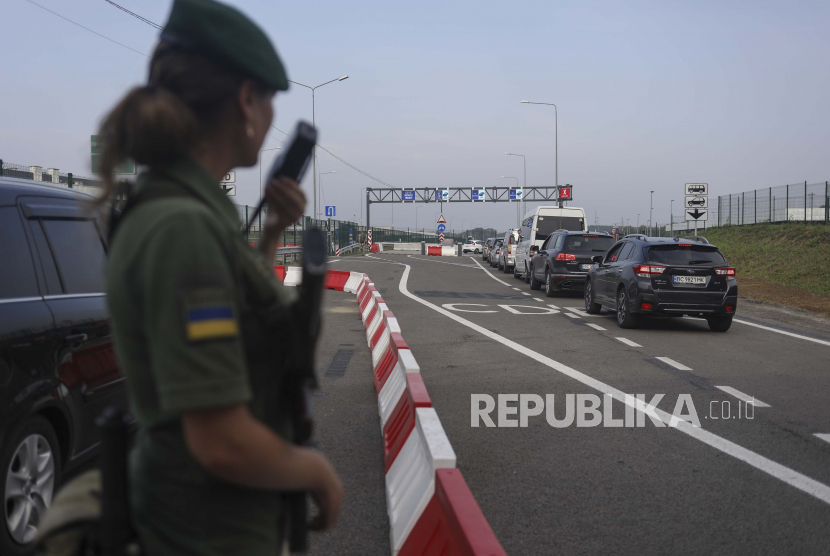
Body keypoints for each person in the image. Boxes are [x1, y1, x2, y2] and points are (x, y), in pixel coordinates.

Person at [100, 0, 342, 554]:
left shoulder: (184, 211)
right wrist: (316, 472)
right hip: (207, 533)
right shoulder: (184, 226)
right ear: (245, 102)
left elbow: (237, 314)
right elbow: (220, 441)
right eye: (269, 100)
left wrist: (271, 235)